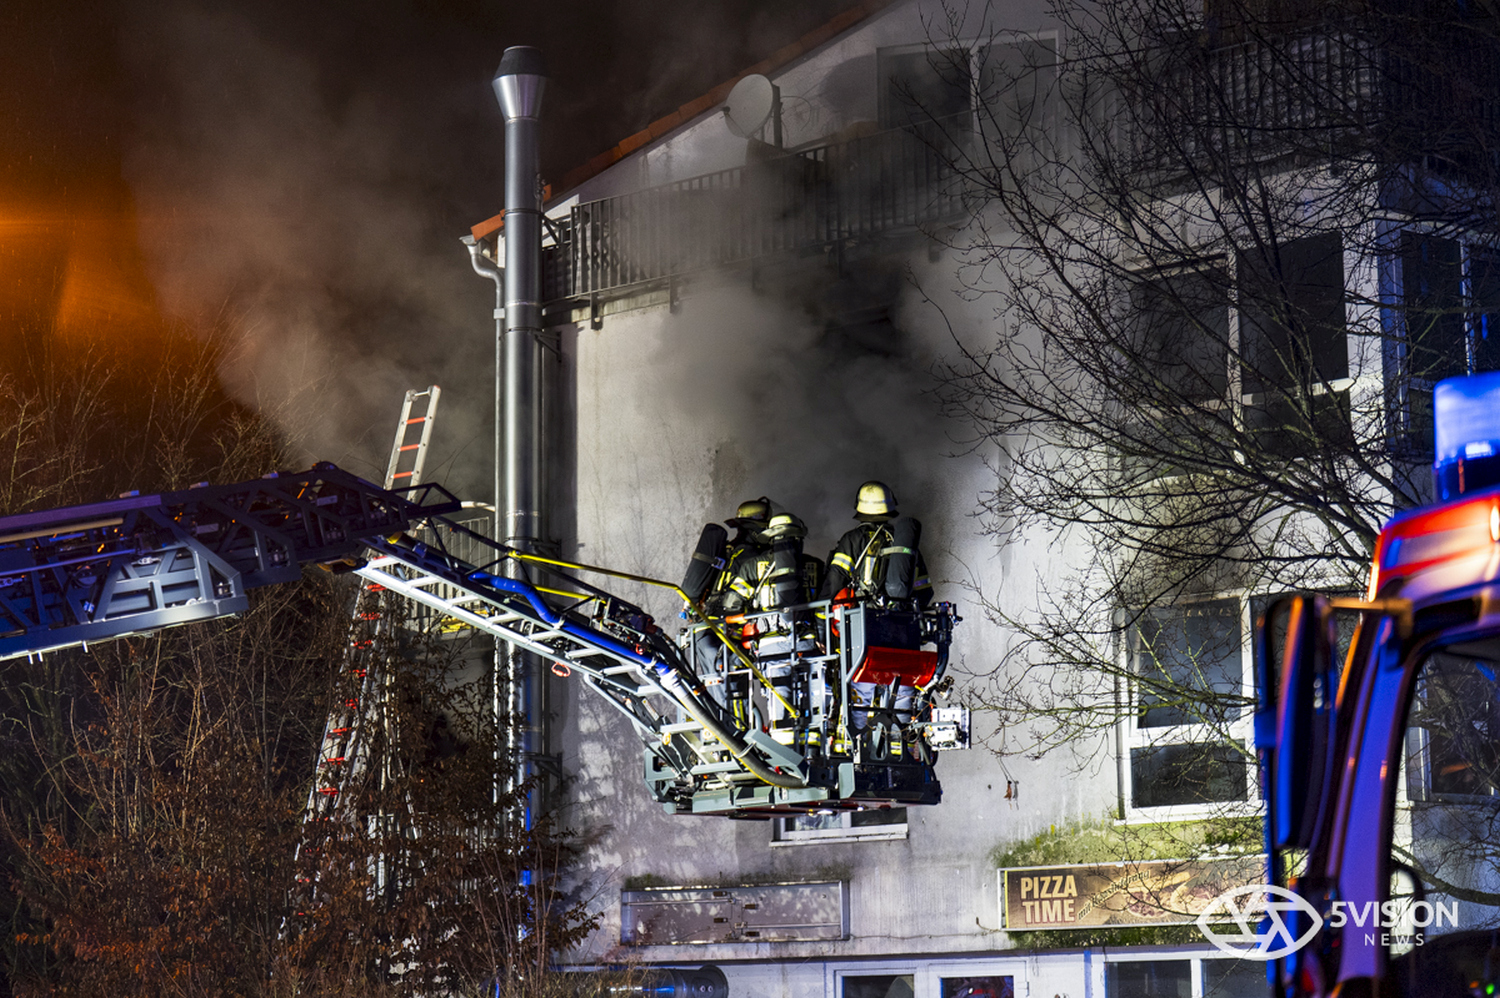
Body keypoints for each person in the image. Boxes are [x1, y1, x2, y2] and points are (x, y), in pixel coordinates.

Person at [820, 481, 933, 740]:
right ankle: (901, 745)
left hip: (865, 632)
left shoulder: (852, 541)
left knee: (860, 695)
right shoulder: (905, 544)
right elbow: (925, 591)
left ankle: (856, 746)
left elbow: (833, 585)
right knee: (902, 693)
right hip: (904, 634)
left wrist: (821, 630)